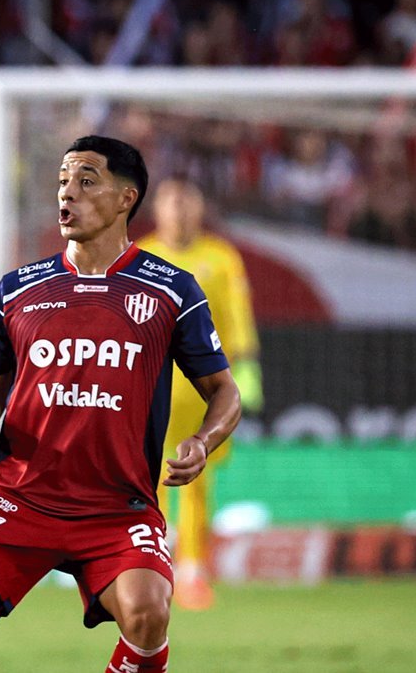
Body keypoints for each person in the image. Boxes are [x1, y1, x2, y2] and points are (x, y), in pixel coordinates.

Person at [0, 136, 241, 673]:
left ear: (126, 198)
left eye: (85, 181)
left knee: (148, 614)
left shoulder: (172, 291)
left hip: (118, 505)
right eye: (62, 181)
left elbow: (224, 391)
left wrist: (203, 440)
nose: (66, 193)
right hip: (24, 498)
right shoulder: (17, 291)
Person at [138, 177, 263, 610]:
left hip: (202, 389)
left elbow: (238, 316)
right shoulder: (140, 257)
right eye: (172, 202)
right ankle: (147, 563)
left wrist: (246, 368)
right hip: (151, 385)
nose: (179, 211)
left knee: (195, 477)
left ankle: (192, 570)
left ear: (200, 207)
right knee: (146, 476)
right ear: (157, 209)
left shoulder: (221, 257)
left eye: (186, 202)